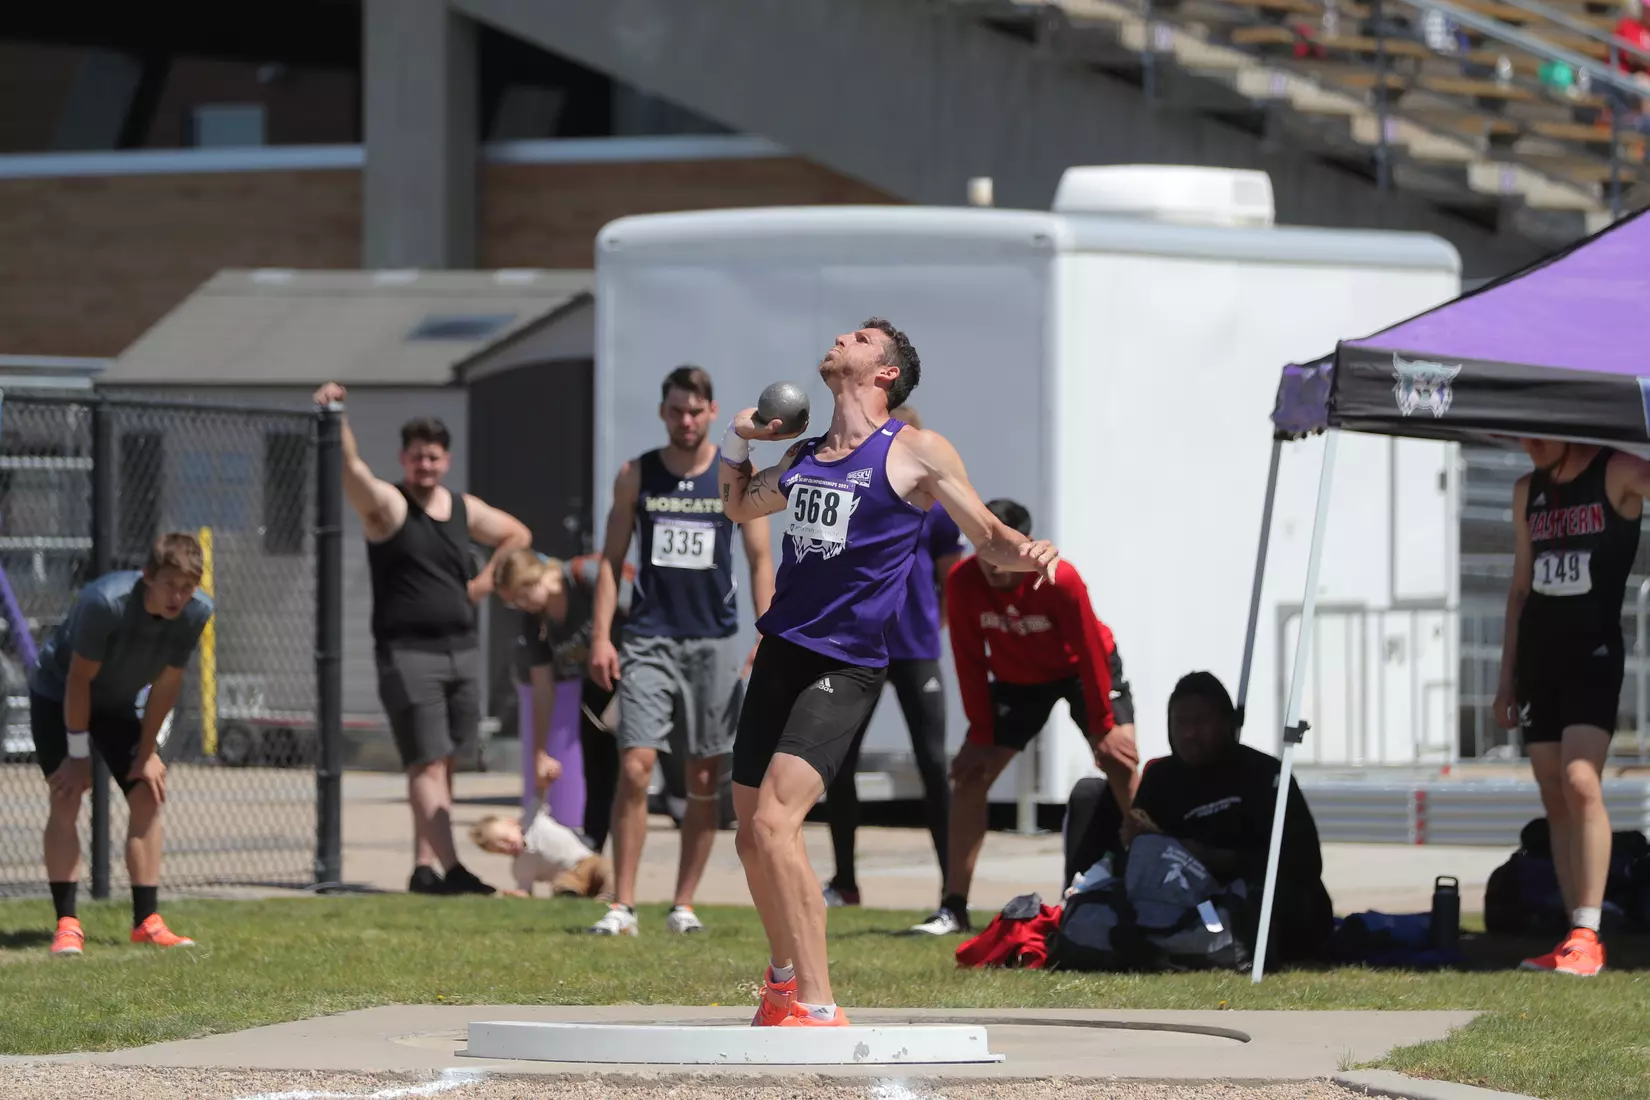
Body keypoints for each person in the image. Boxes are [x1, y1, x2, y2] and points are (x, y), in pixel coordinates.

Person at [720, 318, 1061, 1028]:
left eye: (861, 337)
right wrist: (739, 440)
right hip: (783, 650)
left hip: (846, 663)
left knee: (779, 823)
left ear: (884, 373)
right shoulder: (810, 454)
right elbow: (737, 503)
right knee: (750, 832)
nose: (842, 338)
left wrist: (1032, 552)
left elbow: (987, 538)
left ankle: (818, 1001)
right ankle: (782, 981)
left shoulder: (915, 452)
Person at [313, 382, 532, 896]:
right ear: (403, 459)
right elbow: (354, 474)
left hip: (461, 649)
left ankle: (424, 866)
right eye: (416, 458)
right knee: (427, 760)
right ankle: (453, 870)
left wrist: (485, 583)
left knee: (447, 761)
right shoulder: (390, 508)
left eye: (432, 458)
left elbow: (517, 534)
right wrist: (337, 419)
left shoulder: (460, 508)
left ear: (446, 459)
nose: (425, 467)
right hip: (408, 654)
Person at [586, 365, 775, 936]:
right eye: (675, 410)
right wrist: (600, 636)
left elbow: (761, 557)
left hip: (713, 642)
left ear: (712, 413)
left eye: (695, 411)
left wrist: (766, 630)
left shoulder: (733, 476)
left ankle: (683, 904)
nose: (685, 421)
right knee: (637, 766)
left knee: (702, 776)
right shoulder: (635, 475)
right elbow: (610, 560)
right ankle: (621, 904)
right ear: (663, 411)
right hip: (648, 638)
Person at [928, 498, 1138, 936]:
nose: (992, 564)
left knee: (1120, 760)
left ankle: (1150, 877)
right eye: (983, 549)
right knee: (970, 776)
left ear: (1024, 546)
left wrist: (1103, 725)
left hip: (1083, 670)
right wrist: (980, 735)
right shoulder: (964, 582)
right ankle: (953, 906)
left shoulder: (1060, 580)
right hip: (1018, 680)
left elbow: (1089, 652)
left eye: (1002, 550)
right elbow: (968, 662)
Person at [1493, 440, 1650, 977]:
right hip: (1538, 658)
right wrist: (1505, 677)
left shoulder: (1619, 471)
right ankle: (1573, 934)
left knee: (1581, 780)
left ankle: (1589, 932)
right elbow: (1519, 590)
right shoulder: (1526, 491)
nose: (1528, 445)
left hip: (1593, 655)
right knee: (1553, 791)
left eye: (1540, 433)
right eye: (1522, 436)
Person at [30, 533, 214, 955]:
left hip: (116, 702)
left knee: (148, 794)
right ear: (147, 576)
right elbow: (78, 681)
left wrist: (147, 753)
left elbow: (167, 685)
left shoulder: (196, 612)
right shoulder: (105, 603)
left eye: (187, 588)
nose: (178, 596)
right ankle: (68, 924)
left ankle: (146, 921)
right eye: (170, 585)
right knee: (67, 795)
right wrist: (78, 757)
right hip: (59, 694)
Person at [821, 405, 962, 909]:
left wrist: (935, 622)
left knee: (931, 763)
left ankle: (952, 890)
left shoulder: (936, 502)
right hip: (863, 647)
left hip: (918, 648)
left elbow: (953, 576)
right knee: (838, 761)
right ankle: (845, 882)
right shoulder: (862, 491)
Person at [1115, 671, 1333, 966]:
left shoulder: (1266, 774)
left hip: (1258, 901)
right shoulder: (1159, 777)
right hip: (1188, 902)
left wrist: (1206, 856)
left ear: (1228, 724)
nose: (1190, 733)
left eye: (1201, 722)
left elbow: (1303, 863)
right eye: (1181, 723)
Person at [495, 548, 633, 852]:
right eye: (513, 602)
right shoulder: (536, 622)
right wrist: (541, 751)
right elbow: (543, 688)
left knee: (639, 768)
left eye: (521, 595)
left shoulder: (583, 578)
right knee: (597, 770)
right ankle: (591, 854)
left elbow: (644, 611)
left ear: (534, 577)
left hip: (640, 674)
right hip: (599, 687)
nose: (521, 605)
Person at [471, 810, 614, 900]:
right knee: (562, 885)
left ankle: (609, 892)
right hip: (568, 875)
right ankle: (581, 898)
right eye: (501, 850)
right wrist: (519, 895)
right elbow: (525, 891)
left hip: (588, 860)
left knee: (609, 870)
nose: (507, 847)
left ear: (512, 823)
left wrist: (545, 773)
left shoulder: (532, 820)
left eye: (505, 839)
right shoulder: (519, 868)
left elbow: (540, 788)